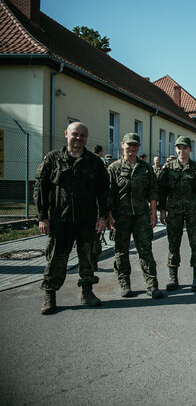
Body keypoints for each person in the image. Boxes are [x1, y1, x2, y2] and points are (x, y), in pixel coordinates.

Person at [35, 122, 108, 315]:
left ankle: (87, 292)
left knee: (88, 258)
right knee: (56, 259)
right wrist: (43, 217)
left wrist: (102, 217)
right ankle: (49, 296)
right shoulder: (53, 159)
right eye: (75, 134)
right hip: (61, 220)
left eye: (83, 135)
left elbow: (103, 192)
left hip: (87, 220)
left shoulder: (95, 162)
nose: (79, 138)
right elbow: (40, 190)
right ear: (66, 134)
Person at [106, 133, 163, 299]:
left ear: (139, 147)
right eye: (129, 145)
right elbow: (109, 195)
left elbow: (152, 192)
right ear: (122, 145)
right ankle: (124, 283)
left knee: (145, 251)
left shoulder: (145, 168)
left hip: (141, 216)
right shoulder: (114, 168)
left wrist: (154, 213)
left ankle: (152, 285)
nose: (132, 148)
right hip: (120, 216)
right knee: (121, 252)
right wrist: (109, 216)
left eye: (135, 145)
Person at [157, 136, 196, 291]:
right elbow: (162, 190)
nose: (181, 150)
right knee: (173, 244)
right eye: (179, 147)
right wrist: (162, 210)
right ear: (175, 149)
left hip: (194, 211)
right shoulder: (168, 167)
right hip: (174, 211)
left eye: (185, 148)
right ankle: (173, 278)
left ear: (190, 149)